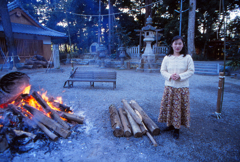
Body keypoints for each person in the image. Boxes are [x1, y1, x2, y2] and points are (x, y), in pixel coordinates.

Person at [158, 36, 194, 139]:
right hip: (170, 87)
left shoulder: (187, 57)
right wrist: (170, 76)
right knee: (169, 106)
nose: (177, 46)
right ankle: (169, 125)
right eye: (175, 43)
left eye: (180, 43)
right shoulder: (167, 58)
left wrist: (180, 76)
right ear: (172, 45)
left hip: (182, 88)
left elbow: (191, 71)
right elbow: (162, 70)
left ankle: (177, 128)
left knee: (178, 108)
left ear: (183, 45)